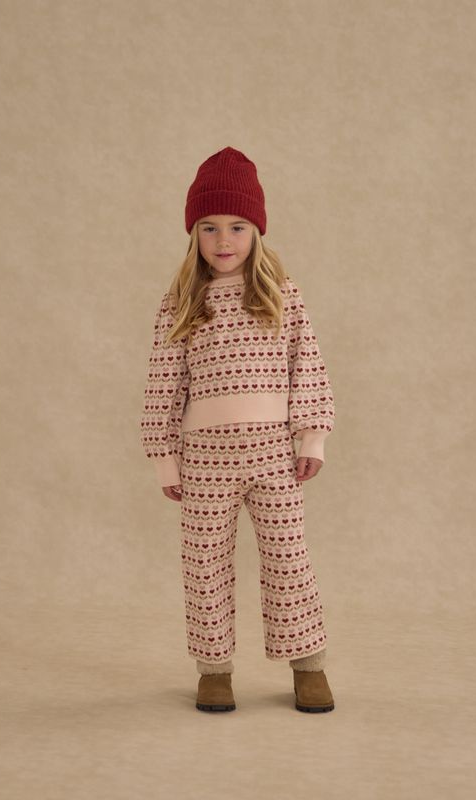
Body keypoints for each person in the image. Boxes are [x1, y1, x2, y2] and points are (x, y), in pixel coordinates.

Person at [140, 146, 336, 713]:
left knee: (288, 559)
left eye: (237, 227)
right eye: (209, 227)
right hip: (204, 460)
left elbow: (307, 365)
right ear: (193, 234)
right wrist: (165, 458)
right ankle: (214, 670)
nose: (223, 240)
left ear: (256, 231)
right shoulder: (182, 302)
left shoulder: (281, 295)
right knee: (204, 564)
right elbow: (163, 384)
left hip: (274, 455)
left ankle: (309, 666)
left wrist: (312, 437)